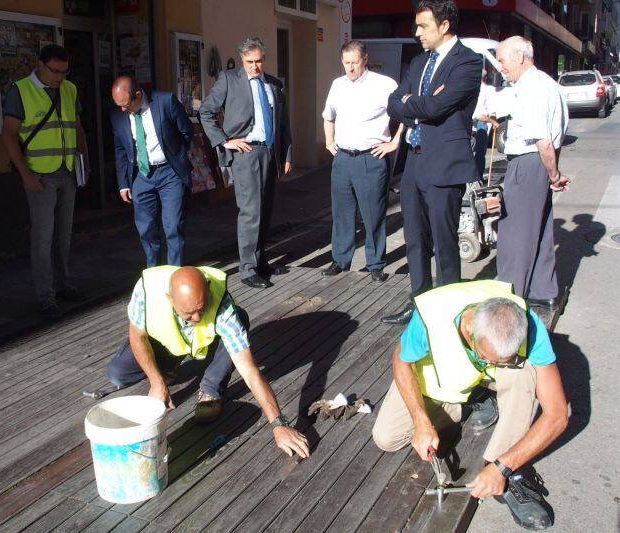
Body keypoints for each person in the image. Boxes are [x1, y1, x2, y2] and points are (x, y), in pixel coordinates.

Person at [371, 280, 568, 530]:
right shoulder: (432, 316)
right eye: (488, 357)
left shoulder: (530, 326)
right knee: (386, 437)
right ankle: (472, 400)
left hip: (482, 381)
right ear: (469, 329)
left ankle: (507, 471)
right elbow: (401, 360)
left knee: (524, 371)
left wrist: (502, 467)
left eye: (503, 359)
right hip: (446, 382)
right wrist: (421, 421)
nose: (494, 364)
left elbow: (558, 414)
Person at [107, 266, 310, 458]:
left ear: (209, 293)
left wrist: (279, 423)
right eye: (188, 313)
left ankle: (211, 388)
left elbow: (249, 371)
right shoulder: (147, 291)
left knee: (239, 320)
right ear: (169, 299)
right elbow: (137, 336)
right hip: (164, 339)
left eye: (201, 309)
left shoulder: (222, 308)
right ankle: (168, 364)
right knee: (118, 374)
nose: (196, 318)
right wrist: (156, 382)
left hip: (206, 339)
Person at [382, 0, 482, 325]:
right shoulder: (419, 62)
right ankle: (419, 305)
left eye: (423, 26)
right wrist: (416, 102)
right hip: (414, 162)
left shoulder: (467, 62)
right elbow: (393, 103)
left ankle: (450, 313)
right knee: (415, 239)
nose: (417, 33)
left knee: (444, 241)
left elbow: (437, 108)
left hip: (446, 165)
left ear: (444, 26)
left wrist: (416, 102)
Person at [1, 44, 89, 319]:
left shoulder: (69, 89)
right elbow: (8, 135)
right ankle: (45, 295)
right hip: (40, 175)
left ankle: (63, 284)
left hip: (67, 171)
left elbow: (77, 127)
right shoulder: (21, 91)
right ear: (39, 65)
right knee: (42, 237)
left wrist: (83, 161)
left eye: (64, 72)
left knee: (63, 234)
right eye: (55, 71)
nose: (59, 78)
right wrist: (26, 175)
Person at [199, 37, 293, 289]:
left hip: (270, 153)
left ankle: (261, 261)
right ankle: (248, 268)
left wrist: (287, 155)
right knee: (251, 212)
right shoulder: (229, 80)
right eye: (250, 62)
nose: (255, 66)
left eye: (259, 61)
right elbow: (205, 111)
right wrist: (223, 141)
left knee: (265, 210)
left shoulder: (273, 84)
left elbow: (283, 123)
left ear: (264, 58)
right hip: (246, 153)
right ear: (242, 60)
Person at [495, 36, 570, 311]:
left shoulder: (532, 88)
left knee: (515, 234)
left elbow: (544, 140)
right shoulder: (547, 84)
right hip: (538, 164)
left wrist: (553, 175)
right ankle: (544, 289)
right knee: (539, 229)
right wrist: (552, 172)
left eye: (503, 61)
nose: (501, 67)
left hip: (528, 162)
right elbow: (557, 138)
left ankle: (508, 301)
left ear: (520, 57)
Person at [320, 40, 403, 281]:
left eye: (355, 63)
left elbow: (405, 116)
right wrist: (328, 141)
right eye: (346, 63)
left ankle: (375, 264)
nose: (351, 68)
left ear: (365, 59)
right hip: (343, 159)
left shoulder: (384, 85)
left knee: (373, 214)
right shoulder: (337, 85)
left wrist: (394, 142)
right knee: (342, 214)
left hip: (371, 159)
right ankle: (340, 260)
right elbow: (328, 117)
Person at [110, 74, 194, 267]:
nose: (123, 109)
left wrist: (177, 155)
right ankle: (153, 272)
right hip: (141, 175)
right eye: (118, 105)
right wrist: (123, 183)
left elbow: (186, 131)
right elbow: (120, 149)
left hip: (169, 172)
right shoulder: (117, 115)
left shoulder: (165, 101)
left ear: (138, 94)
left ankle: (175, 273)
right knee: (146, 229)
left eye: (125, 104)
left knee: (173, 226)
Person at [472, 68, 500, 180]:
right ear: (485, 78)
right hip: (480, 121)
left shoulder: (471, 87)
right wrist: (493, 121)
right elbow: (485, 112)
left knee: (470, 152)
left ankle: (473, 177)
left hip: (473, 120)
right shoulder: (487, 90)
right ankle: (477, 177)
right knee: (480, 153)